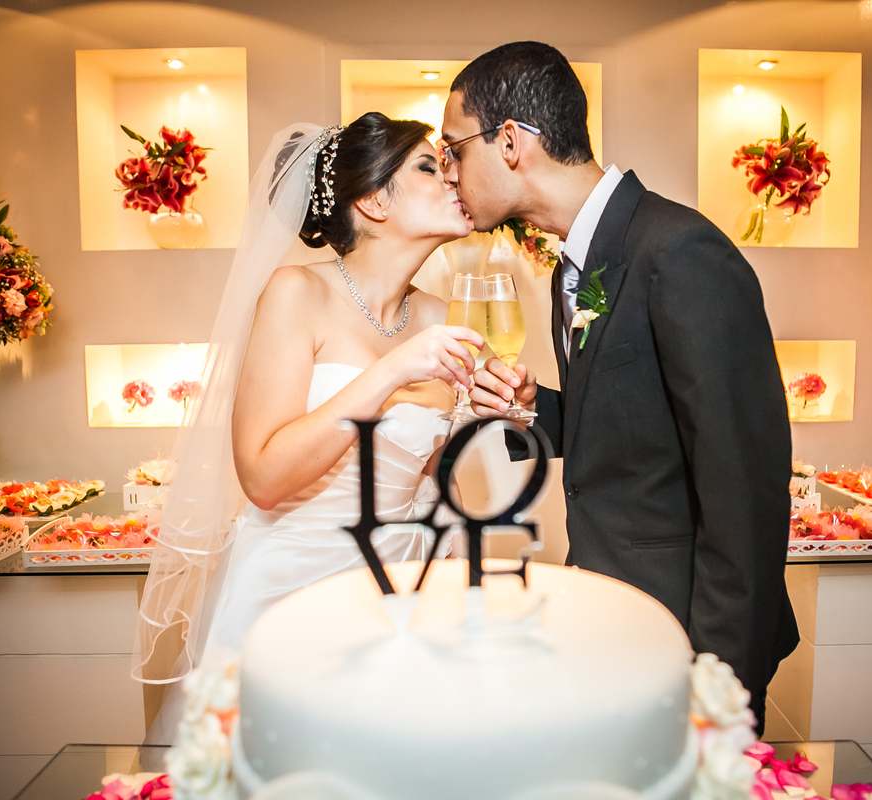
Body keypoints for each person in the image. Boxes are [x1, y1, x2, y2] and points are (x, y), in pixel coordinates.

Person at [447, 41, 797, 732]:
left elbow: (745, 486)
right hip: (613, 617)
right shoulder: (573, 267)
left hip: (687, 639)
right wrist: (529, 410)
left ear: (510, 142)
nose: (451, 172)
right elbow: (624, 426)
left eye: (455, 149)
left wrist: (719, 679)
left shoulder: (679, 251)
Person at [134, 113, 483, 741]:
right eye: (429, 166)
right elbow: (264, 478)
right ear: (375, 200)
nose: (452, 175)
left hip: (405, 593)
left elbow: (432, 476)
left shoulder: (439, 312)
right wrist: (389, 373)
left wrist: (486, 416)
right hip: (292, 587)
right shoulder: (296, 293)